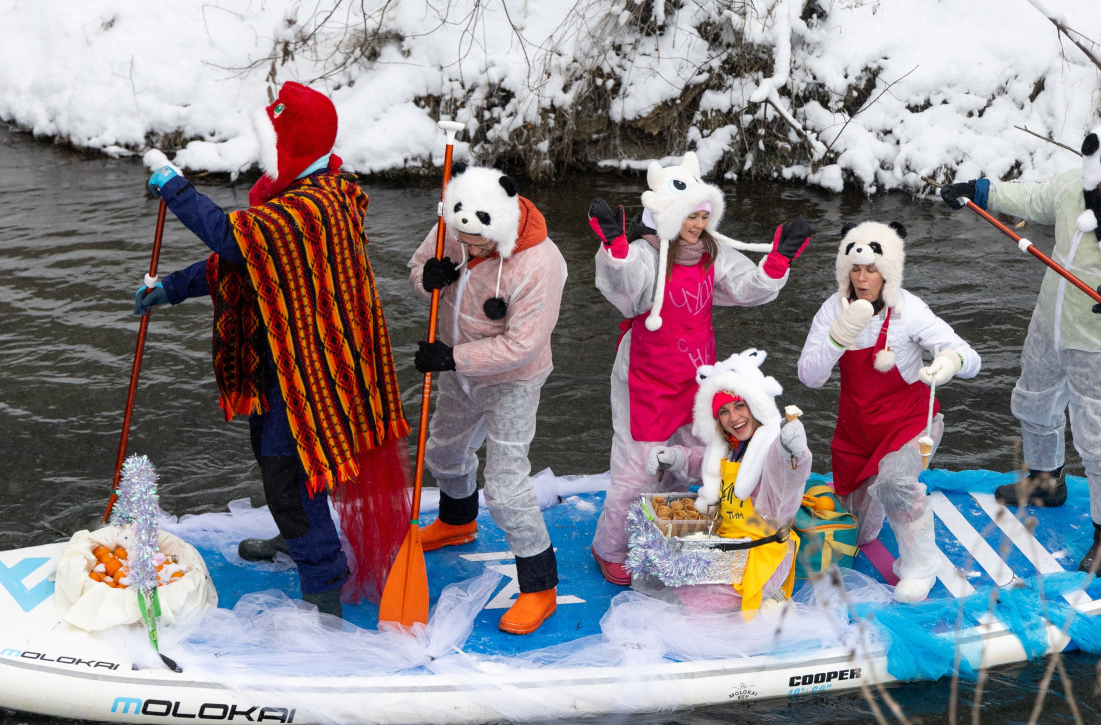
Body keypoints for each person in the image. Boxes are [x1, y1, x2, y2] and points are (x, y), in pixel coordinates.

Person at [139, 81, 411, 619]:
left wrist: (174, 185)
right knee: (270, 454)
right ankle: (300, 539)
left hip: (309, 371)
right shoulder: (296, 198)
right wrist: (171, 288)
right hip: (277, 359)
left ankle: (324, 586)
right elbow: (242, 261)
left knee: (291, 473)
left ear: (292, 145)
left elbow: (231, 238)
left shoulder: (314, 208)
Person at [939, 120, 1101, 577]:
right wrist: (980, 190)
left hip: (1099, 344)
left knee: (1099, 440)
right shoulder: (1073, 189)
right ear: (1094, 170)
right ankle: (1046, 481)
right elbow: (1030, 198)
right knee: (1033, 401)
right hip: (1048, 324)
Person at [587, 151, 810, 586]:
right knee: (637, 467)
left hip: (694, 375)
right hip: (645, 376)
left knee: (693, 458)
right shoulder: (646, 253)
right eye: (691, 216)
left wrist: (777, 262)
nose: (698, 223)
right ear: (668, 215)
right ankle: (609, 547)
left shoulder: (712, 253)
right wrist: (615, 251)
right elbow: (626, 289)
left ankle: (662, 529)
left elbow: (747, 287)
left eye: (704, 215)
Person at [407, 164, 567, 635]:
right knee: (443, 451)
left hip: (512, 378)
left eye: (477, 244)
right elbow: (419, 268)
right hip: (457, 367)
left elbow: (523, 345)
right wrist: (428, 279)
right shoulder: (457, 223)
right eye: (461, 239)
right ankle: (458, 520)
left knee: (506, 485)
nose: (466, 248)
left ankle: (540, 586)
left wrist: (452, 357)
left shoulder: (541, 264)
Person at [797, 220, 981, 602]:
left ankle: (919, 569)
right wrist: (836, 338)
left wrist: (948, 362)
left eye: (873, 270)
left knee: (896, 483)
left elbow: (971, 356)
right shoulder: (832, 309)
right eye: (856, 269)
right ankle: (876, 499)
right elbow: (809, 378)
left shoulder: (909, 310)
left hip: (910, 424)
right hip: (857, 430)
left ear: (889, 271)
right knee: (856, 532)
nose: (863, 279)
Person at [644, 348, 810, 616]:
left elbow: (789, 474)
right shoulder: (729, 445)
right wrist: (674, 457)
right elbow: (702, 461)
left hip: (761, 553)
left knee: (681, 606)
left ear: (755, 405)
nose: (734, 418)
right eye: (724, 411)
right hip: (730, 545)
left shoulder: (771, 446)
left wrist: (796, 452)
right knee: (667, 574)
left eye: (740, 405)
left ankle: (770, 593)